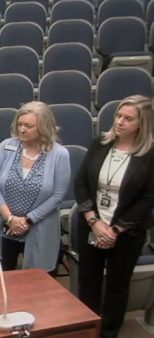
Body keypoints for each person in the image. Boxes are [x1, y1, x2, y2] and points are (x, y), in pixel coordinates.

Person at [74, 95, 154, 338]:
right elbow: (81, 182)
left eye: (128, 119)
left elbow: (148, 198)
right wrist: (94, 222)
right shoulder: (100, 143)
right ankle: (88, 329)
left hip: (127, 233)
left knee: (118, 286)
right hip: (91, 224)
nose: (120, 122)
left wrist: (115, 230)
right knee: (88, 281)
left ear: (142, 124)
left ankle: (108, 333)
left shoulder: (149, 154)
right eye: (119, 116)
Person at [0, 101, 70, 272]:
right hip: (5, 226)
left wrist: (27, 220)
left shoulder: (59, 154)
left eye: (29, 126)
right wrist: (10, 219)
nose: (22, 129)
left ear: (43, 127)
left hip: (39, 226)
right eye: (19, 124)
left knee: (37, 284)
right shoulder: (6, 146)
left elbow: (57, 195)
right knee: (1, 277)